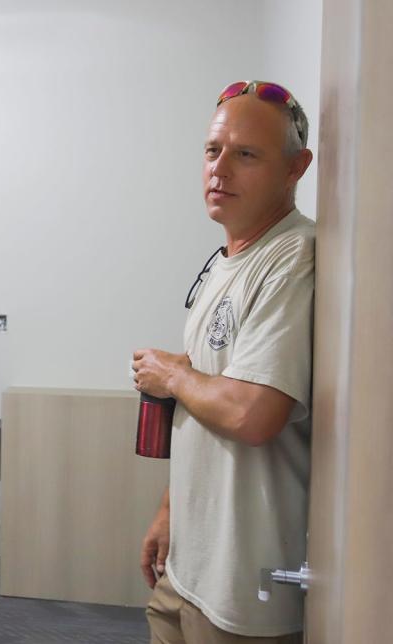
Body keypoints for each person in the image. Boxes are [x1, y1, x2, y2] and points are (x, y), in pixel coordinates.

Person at [132, 81, 315, 643]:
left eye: (246, 154)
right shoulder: (224, 262)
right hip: (188, 569)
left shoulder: (294, 257)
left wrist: (171, 374)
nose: (220, 170)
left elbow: (253, 414)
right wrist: (170, 513)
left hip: (243, 591)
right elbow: (204, 404)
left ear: (295, 168)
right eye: (213, 151)